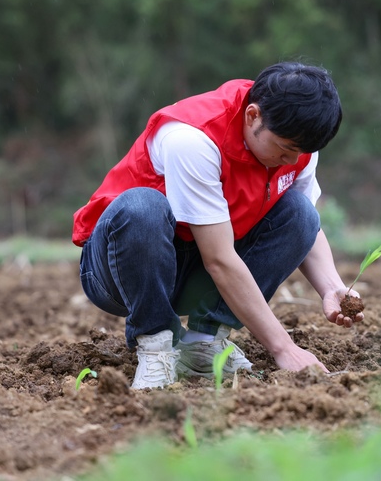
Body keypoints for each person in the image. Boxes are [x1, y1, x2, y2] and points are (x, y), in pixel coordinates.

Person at [72, 62, 361, 389]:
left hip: (193, 268)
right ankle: (155, 347)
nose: (293, 161)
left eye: (303, 151)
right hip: (118, 271)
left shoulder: (297, 145)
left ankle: (203, 343)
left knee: (302, 212)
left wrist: (331, 286)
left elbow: (305, 227)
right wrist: (283, 348)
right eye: (286, 149)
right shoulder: (193, 140)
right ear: (253, 116)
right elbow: (219, 260)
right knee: (143, 208)